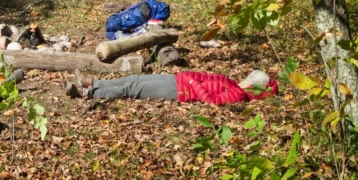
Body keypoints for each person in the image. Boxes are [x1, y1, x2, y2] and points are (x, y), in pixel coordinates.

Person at [66, 69, 278, 105]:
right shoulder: (234, 83)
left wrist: (193, 82)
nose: (246, 77)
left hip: (179, 91)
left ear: (253, 85)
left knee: (132, 89)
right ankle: (92, 82)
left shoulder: (238, 94)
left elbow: (211, 101)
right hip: (177, 79)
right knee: (134, 78)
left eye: (250, 77)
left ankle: (88, 93)